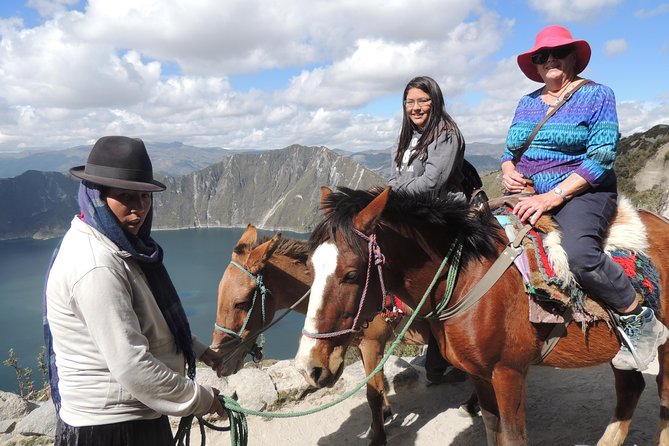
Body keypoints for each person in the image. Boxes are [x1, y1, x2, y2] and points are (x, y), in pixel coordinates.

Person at [501, 25, 669, 371]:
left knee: (578, 254)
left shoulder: (597, 95)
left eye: (558, 53)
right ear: (534, 65)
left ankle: (637, 317)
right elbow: (511, 149)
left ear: (574, 58)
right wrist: (506, 167)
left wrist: (551, 197)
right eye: (541, 56)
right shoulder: (527, 102)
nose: (549, 60)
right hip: (526, 192)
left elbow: (601, 157)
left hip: (583, 192)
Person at [44, 136, 225, 445]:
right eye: (125, 196)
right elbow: (132, 366)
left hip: (129, 417)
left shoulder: (116, 244)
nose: (138, 209)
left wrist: (196, 349)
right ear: (96, 195)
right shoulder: (97, 265)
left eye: (145, 196)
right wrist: (203, 400)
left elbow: (145, 316)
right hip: (111, 427)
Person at [388, 75, 471, 385]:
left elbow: (432, 182)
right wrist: (395, 191)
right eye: (410, 102)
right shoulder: (407, 137)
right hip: (414, 213)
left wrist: (394, 194)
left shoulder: (446, 135)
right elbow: (395, 177)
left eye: (423, 100)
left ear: (435, 102)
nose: (416, 107)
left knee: (437, 287)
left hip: (441, 214)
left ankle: (450, 353)